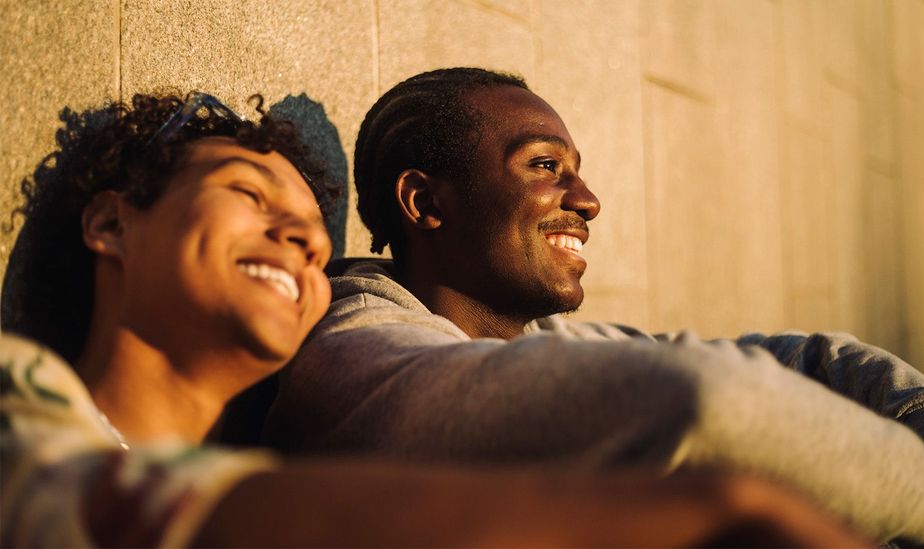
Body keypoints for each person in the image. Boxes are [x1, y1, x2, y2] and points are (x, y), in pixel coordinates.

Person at [0, 92, 868, 547]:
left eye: (311, 235)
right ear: (112, 223)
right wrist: (716, 509)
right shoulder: (20, 399)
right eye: (247, 194)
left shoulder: (261, 453)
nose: (302, 239)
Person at [261, 68, 924, 546]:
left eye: (576, 170)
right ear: (425, 201)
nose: (588, 200)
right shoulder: (357, 352)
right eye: (545, 165)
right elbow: (707, 397)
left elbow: (806, 360)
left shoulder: (548, 341)